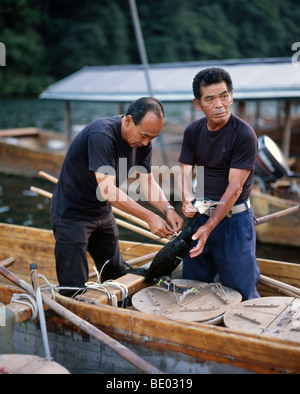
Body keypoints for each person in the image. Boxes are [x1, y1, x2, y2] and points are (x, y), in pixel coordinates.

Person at [51, 97, 183, 294]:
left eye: (152, 138)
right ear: (128, 121)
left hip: (102, 212)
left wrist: (168, 209)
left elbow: (147, 181)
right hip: (72, 214)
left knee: (117, 275)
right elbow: (108, 190)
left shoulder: (143, 141)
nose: (146, 142)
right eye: (144, 135)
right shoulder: (102, 134)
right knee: (74, 287)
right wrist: (149, 217)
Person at [179, 67, 260, 300]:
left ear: (231, 96)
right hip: (200, 218)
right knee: (193, 290)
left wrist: (210, 226)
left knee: (242, 293)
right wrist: (186, 199)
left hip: (233, 222)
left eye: (224, 96)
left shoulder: (243, 134)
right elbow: (186, 170)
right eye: (210, 99)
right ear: (198, 104)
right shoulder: (193, 132)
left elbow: (234, 189)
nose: (219, 105)